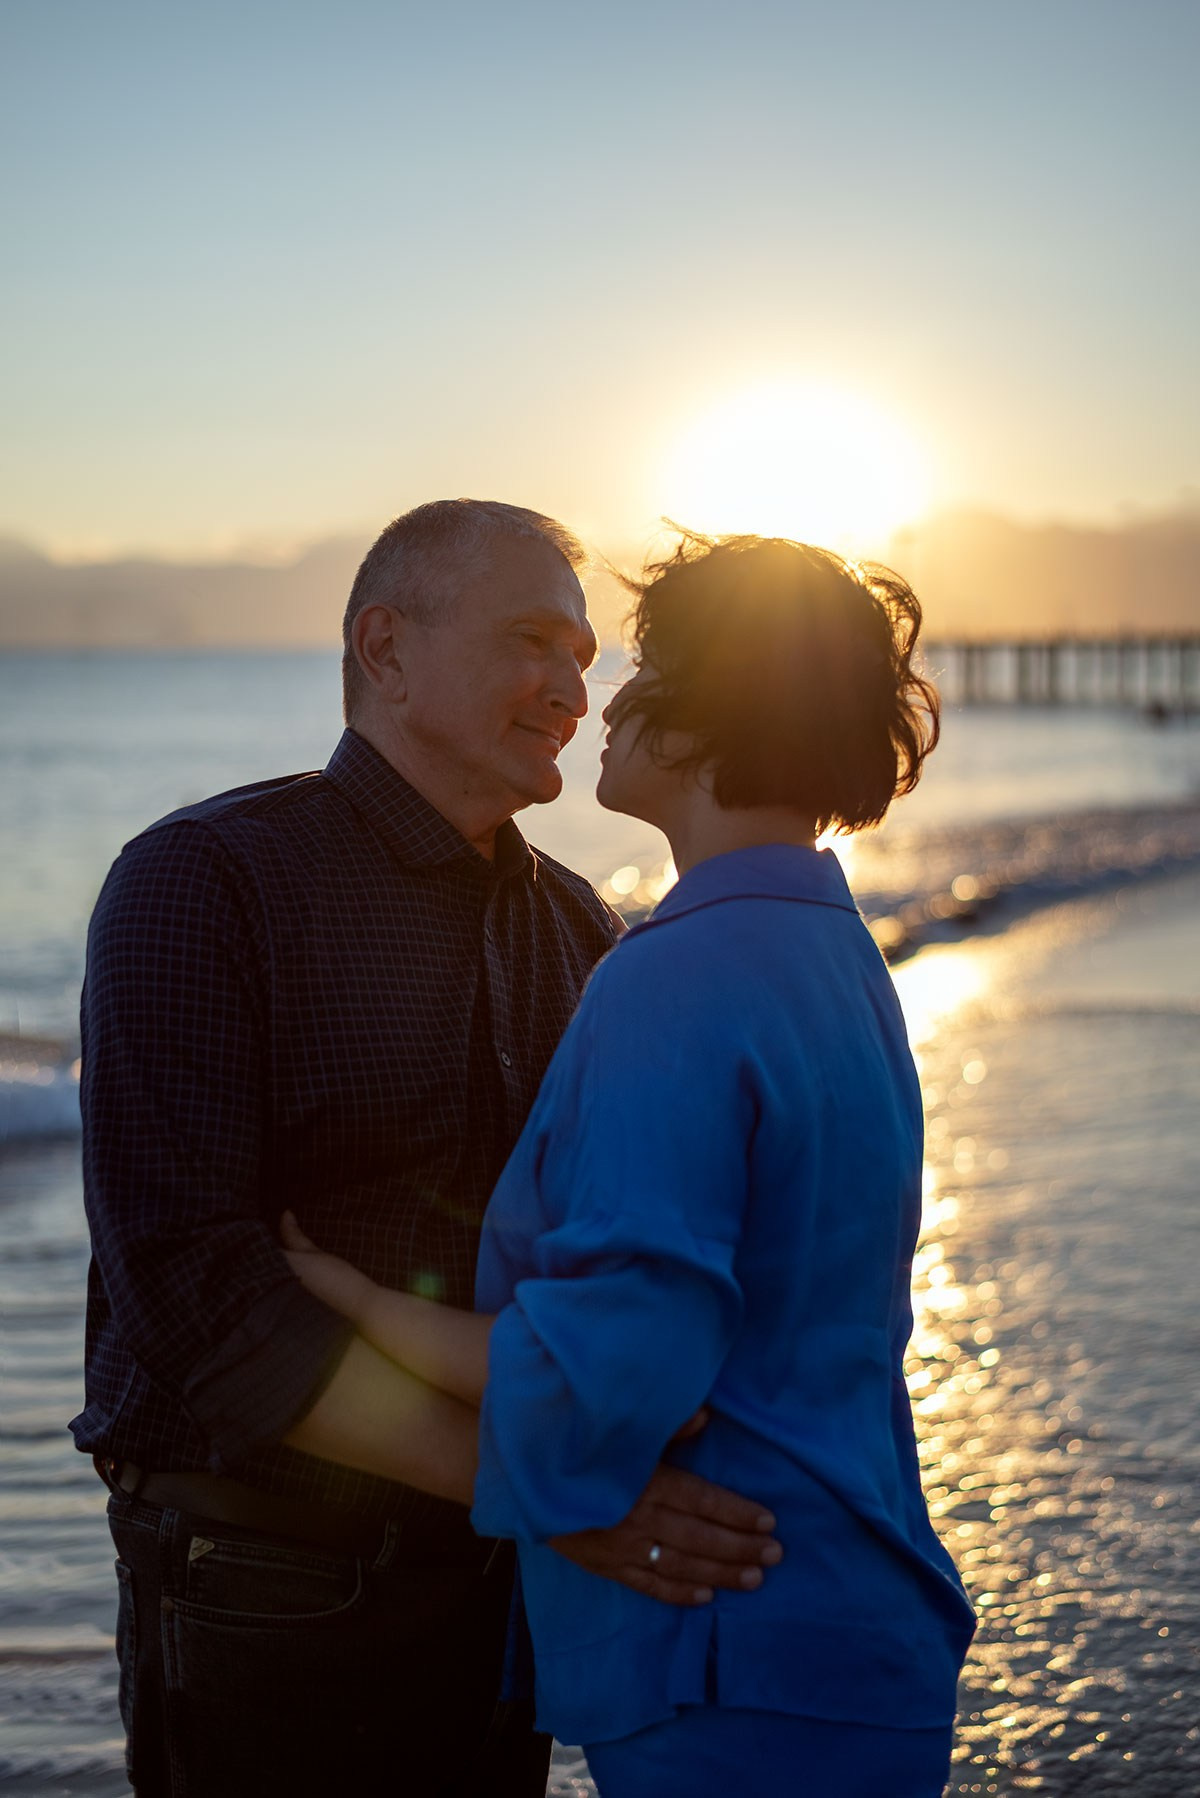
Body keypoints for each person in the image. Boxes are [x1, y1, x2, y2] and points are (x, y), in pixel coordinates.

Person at [72, 501, 782, 1798]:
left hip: (508, 1585)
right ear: (384, 649)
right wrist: (556, 1489)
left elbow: (617, 1266)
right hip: (266, 1581)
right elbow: (194, 1297)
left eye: (583, 654)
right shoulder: (204, 880)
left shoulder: (581, 927)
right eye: (532, 641)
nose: (575, 688)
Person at [282, 532, 978, 1797]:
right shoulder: (837, 957)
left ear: (713, 707)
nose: (606, 699)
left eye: (643, 666)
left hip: (734, 1648)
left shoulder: (672, 974)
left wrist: (348, 1295)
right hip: (850, 1626)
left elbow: (614, 1360)